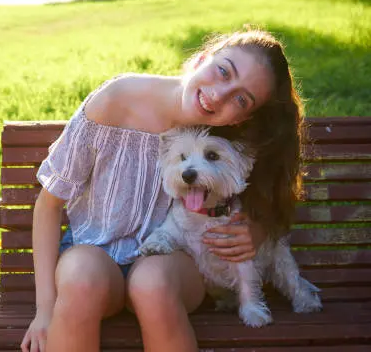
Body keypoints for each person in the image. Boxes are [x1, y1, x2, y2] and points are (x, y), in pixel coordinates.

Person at [20, 28, 304, 352]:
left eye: (241, 99)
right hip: (93, 251)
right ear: (202, 58)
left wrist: (256, 229)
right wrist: (44, 311)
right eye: (223, 71)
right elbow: (48, 205)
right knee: (81, 277)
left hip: (174, 262)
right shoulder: (115, 101)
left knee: (152, 284)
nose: (219, 94)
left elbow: (265, 196)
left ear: (247, 115)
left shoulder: (227, 136)